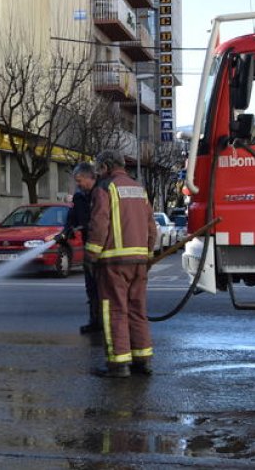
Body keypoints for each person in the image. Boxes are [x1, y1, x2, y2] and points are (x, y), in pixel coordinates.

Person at [85, 149, 158, 378]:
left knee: (115, 310)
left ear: (106, 166)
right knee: (137, 309)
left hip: (113, 262)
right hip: (138, 260)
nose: (98, 173)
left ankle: (118, 364)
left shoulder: (105, 188)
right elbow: (151, 227)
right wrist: (147, 253)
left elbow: (99, 223)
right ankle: (142, 360)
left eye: (99, 168)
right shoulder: (138, 188)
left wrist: (91, 254)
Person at [67, 163, 98, 334]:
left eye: (80, 180)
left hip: (102, 250)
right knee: (91, 287)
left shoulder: (101, 193)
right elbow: (72, 217)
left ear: (90, 177)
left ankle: (105, 322)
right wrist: (68, 228)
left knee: (103, 288)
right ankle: (95, 320)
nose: (78, 184)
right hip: (89, 248)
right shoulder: (80, 197)